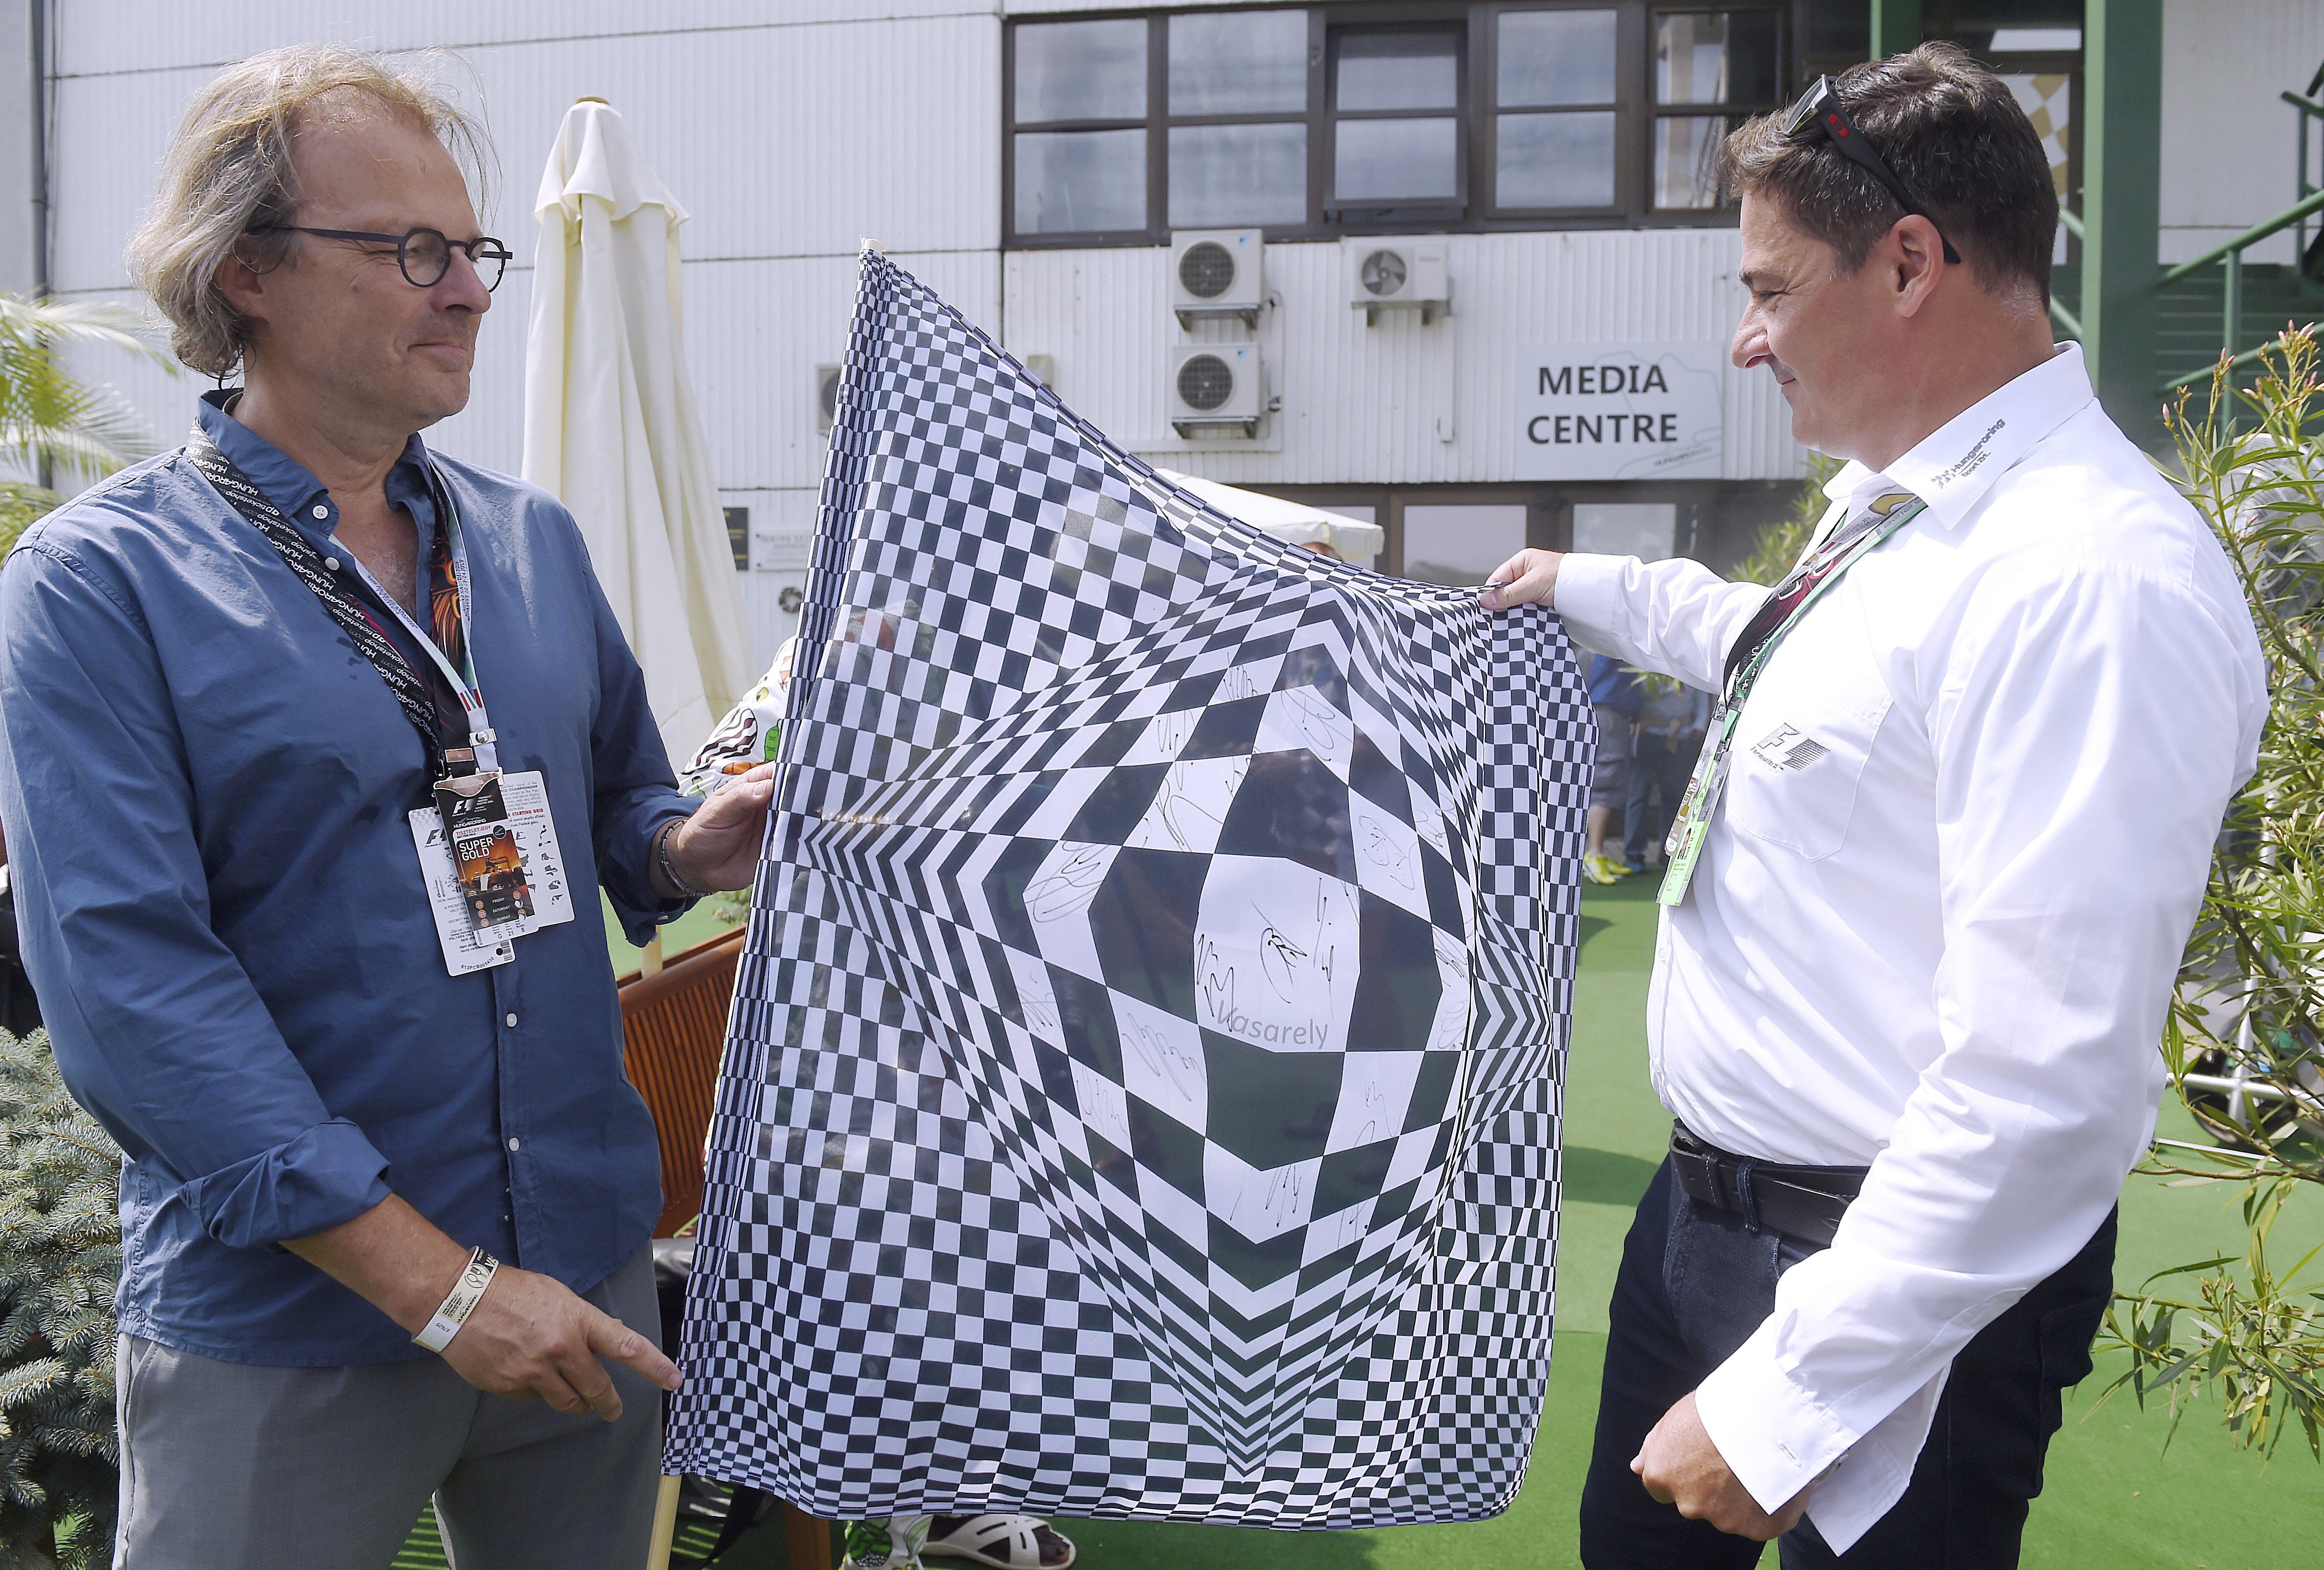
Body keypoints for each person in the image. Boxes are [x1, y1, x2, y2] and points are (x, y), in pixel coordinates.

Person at [1481, 43, 2264, 1567]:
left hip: (1900, 1282)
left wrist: (1789, 1398)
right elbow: (1785, 656)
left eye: (1770, 292)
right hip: (1706, 1215)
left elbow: (2045, 1088)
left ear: (1909, 264)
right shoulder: (1907, 507)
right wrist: (1584, 582)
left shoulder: (2089, 582)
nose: (1744, 342)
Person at [0, 47, 773, 1568]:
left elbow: (621, 805)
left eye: (474, 250)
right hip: (288, 1318)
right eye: (411, 250)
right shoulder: (100, 585)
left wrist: (691, 845)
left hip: (582, 1270)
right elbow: (133, 991)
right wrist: (439, 1288)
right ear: (245, 273)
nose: (471, 291)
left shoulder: (532, 543)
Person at [674, 641, 1079, 1570]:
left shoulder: (1026, 662)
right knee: (884, 1275)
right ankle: (882, 1533)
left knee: (992, 1267)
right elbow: (699, 794)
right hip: (828, 1060)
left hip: (974, 1034)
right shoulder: (819, 658)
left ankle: (956, 1492)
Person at [1622, 680, 1712, 874]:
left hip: (1682, 735)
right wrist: (1635, 719)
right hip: (1649, 734)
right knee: (1638, 795)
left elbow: (1701, 693)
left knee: (1675, 799)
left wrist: (1700, 724)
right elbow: (1634, 694)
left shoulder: (1689, 666)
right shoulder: (1650, 666)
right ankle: (1633, 855)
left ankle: (1669, 854)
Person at [1584, 652, 1644, 884]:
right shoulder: (1611, 646)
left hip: (1614, 712)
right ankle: (1594, 854)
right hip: (1607, 710)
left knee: (1612, 781)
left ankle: (1598, 851)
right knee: (1606, 781)